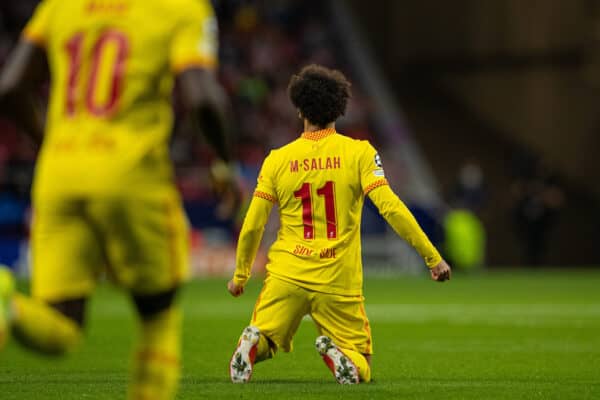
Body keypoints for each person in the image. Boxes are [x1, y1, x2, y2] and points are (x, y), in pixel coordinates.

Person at [0, 0, 236, 399]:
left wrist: (54, 145)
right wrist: (225, 165)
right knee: (158, 316)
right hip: (132, 172)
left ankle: (7, 310)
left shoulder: (60, 6)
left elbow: (9, 88)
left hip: (59, 175)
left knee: (61, 326)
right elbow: (203, 100)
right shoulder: (180, 8)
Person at [226, 64, 451, 384]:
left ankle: (252, 342)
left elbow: (253, 223)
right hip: (337, 279)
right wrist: (433, 257)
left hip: (287, 274)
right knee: (364, 363)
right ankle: (342, 354)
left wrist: (240, 275)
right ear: (341, 108)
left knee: (266, 338)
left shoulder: (277, 159)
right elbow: (391, 208)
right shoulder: (358, 153)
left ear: (299, 107)